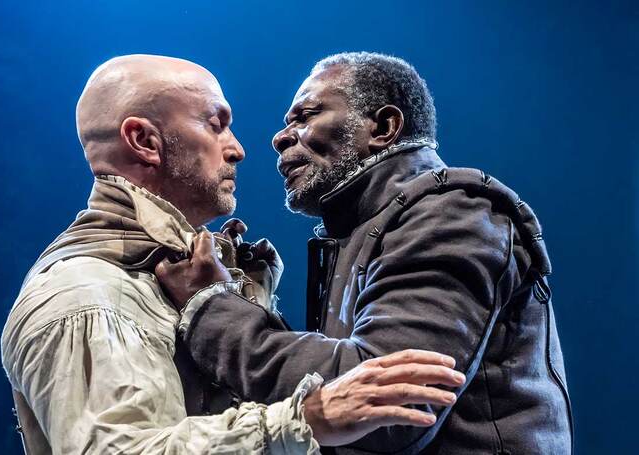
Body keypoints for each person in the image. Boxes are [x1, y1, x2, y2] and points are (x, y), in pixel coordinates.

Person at [0, 54, 465, 455]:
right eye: (214, 123)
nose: (239, 149)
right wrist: (304, 420)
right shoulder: (87, 292)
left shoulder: (194, 273)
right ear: (145, 141)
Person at [155, 52, 573, 454]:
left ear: (384, 127)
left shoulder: (450, 215)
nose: (280, 137)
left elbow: (389, 414)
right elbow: (345, 377)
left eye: (305, 116)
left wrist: (213, 307)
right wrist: (251, 300)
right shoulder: (372, 227)